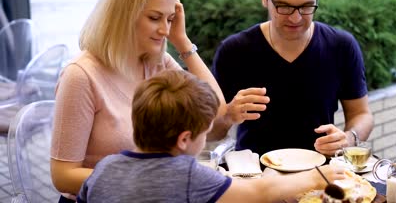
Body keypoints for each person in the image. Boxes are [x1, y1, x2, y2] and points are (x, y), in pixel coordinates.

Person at [50, 0, 227, 201]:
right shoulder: (80, 76)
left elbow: (215, 110)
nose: (165, 30)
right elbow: (62, 176)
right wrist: (142, 180)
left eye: (170, 19)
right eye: (155, 18)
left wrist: (183, 42)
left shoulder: (157, 63)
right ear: (123, 17)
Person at [76, 69, 345, 203]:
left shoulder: (103, 169)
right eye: (204, 133)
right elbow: (260, 191)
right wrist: (318, 176)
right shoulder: (189, 175)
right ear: (184, 139)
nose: (206, 138)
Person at [210, 0, 374, 157]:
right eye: (284, 7)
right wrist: (228, 116)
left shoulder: (341, 46)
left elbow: (361, 113)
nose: (296, 18)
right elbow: (211, 132)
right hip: (254, 177)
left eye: (306, 7)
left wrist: (349, 138)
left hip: (320, 173)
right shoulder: (234, 51)